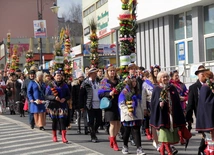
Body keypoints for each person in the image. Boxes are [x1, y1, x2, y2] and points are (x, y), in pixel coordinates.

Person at [150, 71, 186, 155]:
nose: (165, 78)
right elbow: (153, 103)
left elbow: (176, 101)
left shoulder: (172, 88)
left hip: (171, 117)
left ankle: (162, 151)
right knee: (164, 136)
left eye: (166, 77)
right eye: (163, 77)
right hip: (162, 116)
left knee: (168, 137)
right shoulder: (157, 89)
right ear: (159, 79)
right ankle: (169, 152)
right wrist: (159, 105)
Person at [118, 75, 146, 155]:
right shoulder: (125, 91)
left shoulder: (137, 91)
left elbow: (140, 102)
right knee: (127, 131)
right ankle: (125, 145)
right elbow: (121, 104)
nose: (134, 83)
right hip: (128, 115)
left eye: (135, 81)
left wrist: (142, 111)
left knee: (136, 130)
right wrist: (128, 111)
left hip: (136, 114)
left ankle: (139, 148)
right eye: (132, 81)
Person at [186, 65, 209, 154]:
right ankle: (201, 151)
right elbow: (190, 104)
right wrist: (189, 118)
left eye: (204, 73)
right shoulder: (194, 87)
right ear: (198, 75)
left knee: (208, 136)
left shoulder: (210, 84)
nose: (203, 75)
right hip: (200, 116)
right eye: (201, 73)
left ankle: (203, 151)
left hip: (210, 114)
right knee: (205, 135)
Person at [98, 64, 121, 151]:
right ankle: (114, 141)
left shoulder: (118, 81)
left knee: (118, 124)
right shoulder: (104, 81)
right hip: (109, 104)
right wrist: (109, 93)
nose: (112, 72)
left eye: (113, 70)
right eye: (110, 71)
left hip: (118, 104)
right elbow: (100, 93)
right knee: (113, 123)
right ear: (107, 72)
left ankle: (112, 137)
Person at [45, 70, 71, 143]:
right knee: (55, 121)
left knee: (62, 120)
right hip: (54, 105)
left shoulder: (65, 85)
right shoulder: (50, 85)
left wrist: (65, 98)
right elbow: (46, 96)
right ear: (54, 77)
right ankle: (54, 136)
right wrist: (54, 98)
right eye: (57, 75)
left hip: (62, 105)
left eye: (60, 75)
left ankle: (64, 137)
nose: (59, 77)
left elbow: (69, 95)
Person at [79, 68, 101, 143]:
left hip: (99, 103)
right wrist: (81, 106)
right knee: (91, 120)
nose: (95, 74)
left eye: (96, 73)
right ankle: (93, 136)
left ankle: (93, 131)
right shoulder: (85, 83)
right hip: (90, 104)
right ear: (90, 74)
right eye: (94, 73)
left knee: (99, 121)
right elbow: (81, 95)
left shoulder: (99, 81)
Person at [196, 70, 214, 155]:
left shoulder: (207, 87)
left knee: (210, 142)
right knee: (210, 143)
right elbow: (206, 103)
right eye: (210, 78)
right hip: (208, 120)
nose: (212, 79)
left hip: (209, 118)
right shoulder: (205, 87)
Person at [169, 70, 188, 145]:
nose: (177, 77)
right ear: (172, 77)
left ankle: (182, 137)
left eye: (177, 75)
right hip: (174, 105)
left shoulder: (182, 85)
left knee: (182, 122)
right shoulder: (170, 85)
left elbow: (187, 93)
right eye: (175, 75)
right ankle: (177, 137)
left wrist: (185, 98)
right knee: (175, 122)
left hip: (182, 105)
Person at [141, 70, 153, 140]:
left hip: (156, 103)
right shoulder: (145, 84)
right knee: (147, 118)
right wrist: (144, 107)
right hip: (148, 102)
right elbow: (143, 96)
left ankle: (153, 132)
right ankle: (148, 132)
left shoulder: (157, 82)